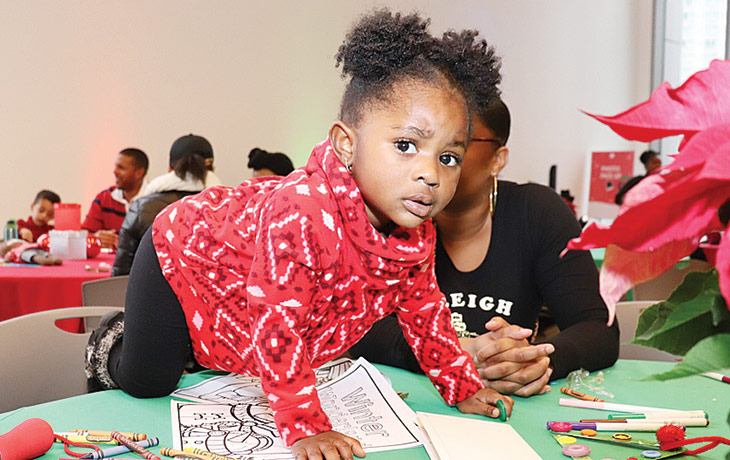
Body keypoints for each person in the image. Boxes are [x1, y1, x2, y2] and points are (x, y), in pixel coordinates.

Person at [86, 10, 512, 460]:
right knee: (149, 381)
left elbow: (425, 313)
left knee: (217, 361)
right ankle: (110, 338)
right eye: (406, 145)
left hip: (245, 283)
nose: (430, 174)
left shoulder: (416, 234)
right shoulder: (303, 212)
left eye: (448, 157)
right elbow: (278, 324)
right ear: (347, 144)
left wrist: (463, 386)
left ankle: (180, 342)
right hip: (183, 250)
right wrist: (306, 427)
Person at [350, 95, 620, 397]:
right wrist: (455, 352)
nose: (430, 162)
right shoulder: (388, 213)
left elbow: (598, 328)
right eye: (416, 143)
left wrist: (533, 361)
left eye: (457, 143)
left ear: (497, 159)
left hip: (509, 400)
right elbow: (358, 326)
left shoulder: (537, 213)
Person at [112, 134, 222, 276]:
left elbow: (121, 273)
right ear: (212, 169)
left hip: (152, 289)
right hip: (208, 290)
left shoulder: (142, 207)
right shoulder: (226, 209)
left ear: (170, 168)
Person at [82, 148, 149, 249]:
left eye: (121, 168)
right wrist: (96, 238)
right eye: (116, 166)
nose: (115, 172)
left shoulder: (155, 202)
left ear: (139, 173)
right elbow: (84, 235)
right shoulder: (103, 199)